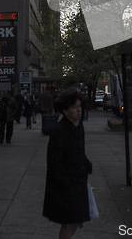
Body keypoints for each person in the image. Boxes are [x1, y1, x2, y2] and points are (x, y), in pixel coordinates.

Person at [43, 88, 93, 239]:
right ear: (65, 111)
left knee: (77, 219)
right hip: (66, 185)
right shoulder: (60, 131)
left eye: (79, 106)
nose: (79, 110)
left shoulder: (78, 126)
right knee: (69, 222)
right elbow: (54, 162)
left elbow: (80, 151)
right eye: (74, 107)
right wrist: (67, 181)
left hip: (78, 180)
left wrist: (86, 165)